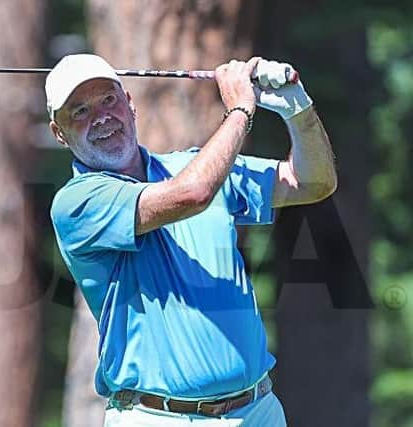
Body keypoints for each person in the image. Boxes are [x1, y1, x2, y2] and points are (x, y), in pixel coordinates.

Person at [45, 54, 336, 426]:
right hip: (158, 416)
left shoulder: (193, 164)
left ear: (130, 104)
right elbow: (194, 193)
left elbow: (313, 182)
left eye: (108, 99)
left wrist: (298, 108)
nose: (101, 116)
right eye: (79, 110)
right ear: (59, 133)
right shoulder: (76, 203)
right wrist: (240, 110)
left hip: (258, 411)